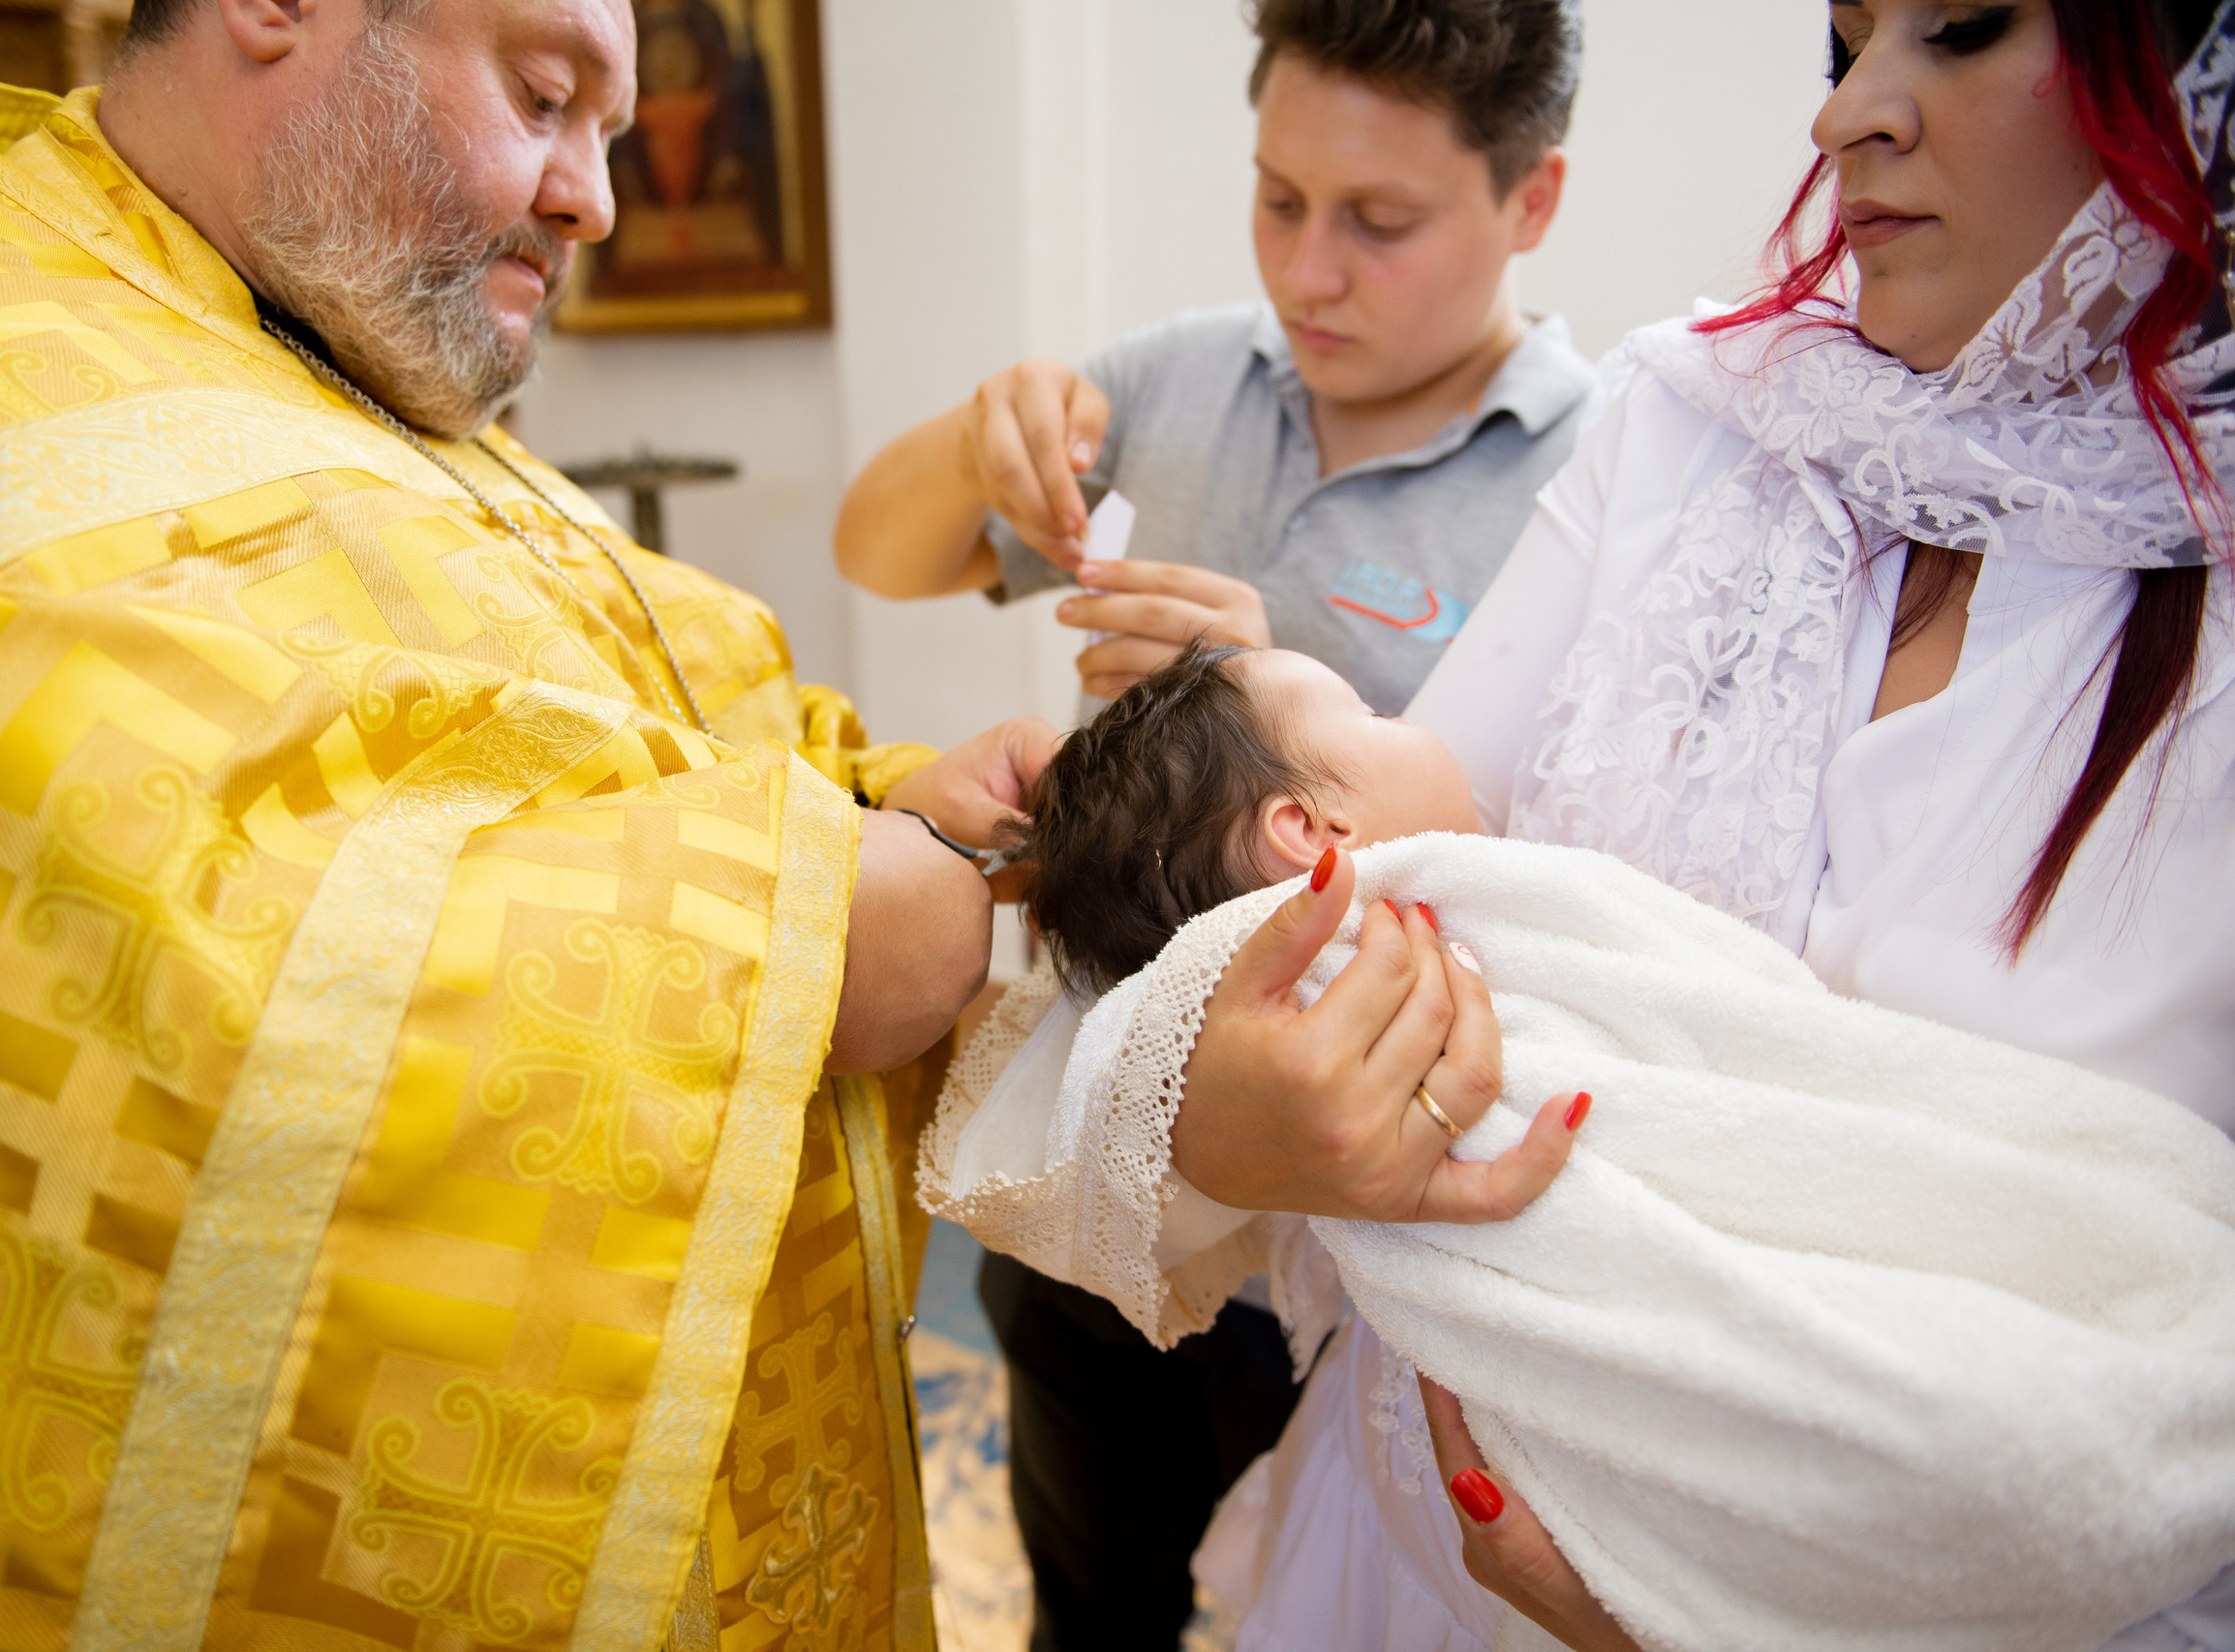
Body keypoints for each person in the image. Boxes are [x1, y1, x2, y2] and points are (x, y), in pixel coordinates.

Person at [0, 1, 1065, 1645]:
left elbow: (653, 682)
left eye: (610, 123)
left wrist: (874, 800)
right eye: (542, 94)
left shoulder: (316, 335)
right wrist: (790, 926)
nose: (594, 195)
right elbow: (134, 935)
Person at [939, 0, 2235, 1646]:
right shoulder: (1697, 428)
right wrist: (1222, 1107)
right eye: (1842, 48)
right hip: (1409, 1553)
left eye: (1964, 28)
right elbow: (1294, 901)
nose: (1851, 121)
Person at [929, 635, 2235, 1648]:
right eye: (1375, 718)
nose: (1418, 723)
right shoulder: (1375, 982)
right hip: (1503, 1435)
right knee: (1942, 1416)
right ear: (1307, 836)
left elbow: (1725, 1038)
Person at [837, 0, 1589, 1638]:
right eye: (1278, 199)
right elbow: (874, 550)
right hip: (1110, 1163)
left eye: (1378, 223)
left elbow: (1584, 860)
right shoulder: (1181, 386)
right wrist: (977, 437)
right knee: (1087, 1596)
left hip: (1362, 1233)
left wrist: (1295, 691)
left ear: (1531, 202)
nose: (1308, 274)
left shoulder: (1593, 481)